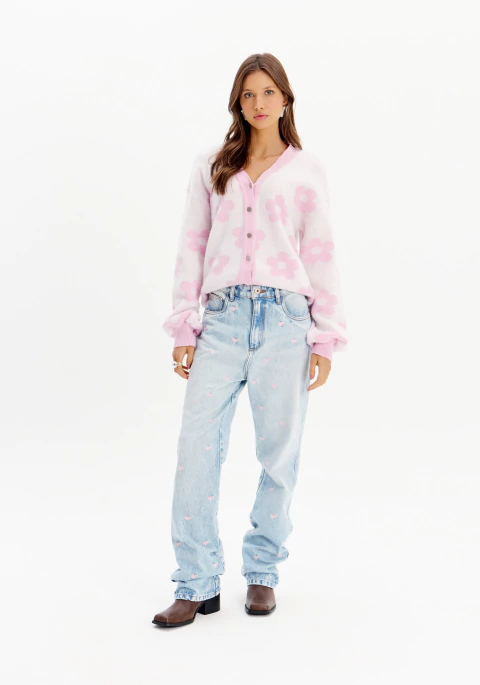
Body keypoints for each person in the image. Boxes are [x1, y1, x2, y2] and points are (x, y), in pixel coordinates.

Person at [152, 52, 348, 628]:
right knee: (195, 449)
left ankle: (262, 571)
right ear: (237, 103)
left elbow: (321, 253)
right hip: (221, 321)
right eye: (248, 94)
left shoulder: (307, 171)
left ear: (285, 99)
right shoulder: (212, 166)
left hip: (287, 322)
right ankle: (196, 581)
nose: (258, 103)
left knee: (278, 454)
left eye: (268, 92)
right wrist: (185, 323)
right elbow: (192, 244)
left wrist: (325, 338)